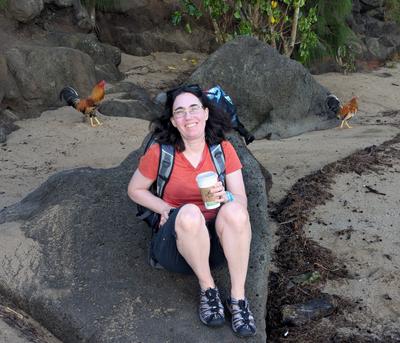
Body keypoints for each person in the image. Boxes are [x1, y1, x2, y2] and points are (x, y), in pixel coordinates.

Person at [127, 84, 256, 338]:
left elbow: (241, 200)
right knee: (188, 214)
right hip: (177, 244)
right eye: (181, 112)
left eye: (194, 108)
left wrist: (226, 196)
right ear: (174, 121)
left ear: (206, 113)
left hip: (216, 245)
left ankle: (238, 298)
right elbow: (135, 189)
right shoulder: (161, 153)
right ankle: (209, 290)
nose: (189, 117)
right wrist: (163, 207)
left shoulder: (222, 149)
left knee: (236, 213)